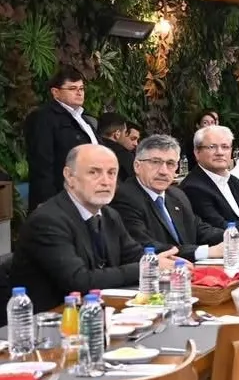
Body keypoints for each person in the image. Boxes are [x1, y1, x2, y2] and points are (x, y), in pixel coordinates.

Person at [13, 144, 178, 312]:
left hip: (99, 311)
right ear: (69, 176)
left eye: (111, 173)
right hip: (52, 318)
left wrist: (162, 261)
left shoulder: (109, 215)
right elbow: (79, 281)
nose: (106, 181)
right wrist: (146, 267)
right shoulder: (47, 221)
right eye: (94, 172)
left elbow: (133, 254)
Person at [112, 135, 239, 258]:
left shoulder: (176, 195)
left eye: (170, 164)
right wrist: (206, 252)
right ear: (137, 166)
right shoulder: (125, 197)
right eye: (155, 162)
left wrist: (237, 237)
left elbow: (199, 229)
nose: (163, 171)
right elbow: (145, 245)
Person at [24, 70, 97, 211]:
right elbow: (41, 162)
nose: (79, 93)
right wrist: (46, 201)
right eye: (72, 88)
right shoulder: (43, 118)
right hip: (62, 196)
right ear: (55, 92)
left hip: (88, 193)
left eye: (81, 88)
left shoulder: (84, 119)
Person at [180, 125, 239, 236]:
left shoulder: (232, 180)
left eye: (225, 147)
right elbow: (220, 225)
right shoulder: (193, 187)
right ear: (197, 152)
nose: (220, 152)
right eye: (212, 147)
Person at [97, 112, 136, 182]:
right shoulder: (124, 155)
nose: (125, 136)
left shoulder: (89, 148)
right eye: (125, 132)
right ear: (117, 134)